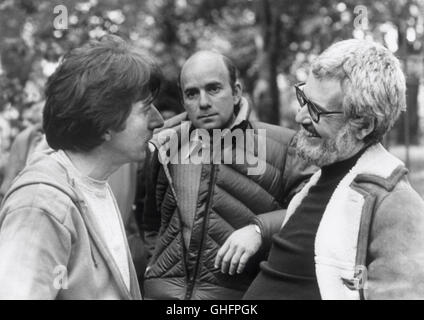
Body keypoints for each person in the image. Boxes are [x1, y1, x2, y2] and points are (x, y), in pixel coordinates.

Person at [215, 39, 424, 300]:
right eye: (304, 98)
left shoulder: (394, 202)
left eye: (316, 111)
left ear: (364, 125)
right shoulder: (322, 179)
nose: (300, 116)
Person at [0, 35, 164, 299]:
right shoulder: (41, 205)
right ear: (106, 121)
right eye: (145, 109)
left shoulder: (94, 184)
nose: (159, 121)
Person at [141, 50, 313, 300]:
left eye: (213, 89)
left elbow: (314, 209)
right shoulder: (165, 146)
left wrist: (259, 231)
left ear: (236, 92)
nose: (203, 102)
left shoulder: (285, 146)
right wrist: (152, 267)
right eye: (192, 93)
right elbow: (152, 222)